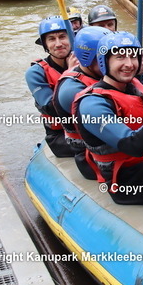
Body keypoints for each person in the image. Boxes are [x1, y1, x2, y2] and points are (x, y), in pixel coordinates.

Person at [72, 32, 143, 206]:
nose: (129, 64)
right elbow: (134, 146)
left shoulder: (134, 87)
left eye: (133, 56)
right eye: (120, 57)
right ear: (104, 61)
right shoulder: (92, 104)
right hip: (125, 180)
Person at [53, 26, 110, 180]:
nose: (112, 62)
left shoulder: (107, 76)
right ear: (88, 58)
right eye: (106, 57)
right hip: (97, 161)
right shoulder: (72, 90)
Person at [25, 16, 76, 157]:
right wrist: (70, 74)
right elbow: (52, 108)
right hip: (60, 136)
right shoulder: (35, 72)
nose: (58, 44)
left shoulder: (87, 64)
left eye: (62, 37)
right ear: (45, 45)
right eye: (52, 39)